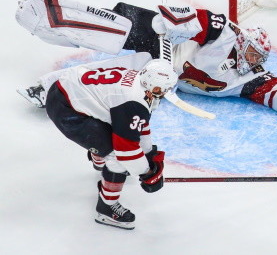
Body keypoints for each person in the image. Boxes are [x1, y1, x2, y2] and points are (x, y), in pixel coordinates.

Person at [15, 0, 277, 131]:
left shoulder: (251, 78)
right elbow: (202, 19)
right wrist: (171, 23)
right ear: (242, 40)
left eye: (256, 56)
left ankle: (48, 90)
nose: (249, 58)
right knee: (121, 27)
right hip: (165, 43)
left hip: (164, 74)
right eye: (248, 49)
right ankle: (49, 13)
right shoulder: (227, 34)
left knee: (116, 79)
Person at [22, 52, 178, 229]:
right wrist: (147, 172)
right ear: (154, 86)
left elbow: (139, 124)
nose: (164, 92)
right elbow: (125, 152)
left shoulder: (140, 81)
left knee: (115, 128)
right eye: (162, 89)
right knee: (117, 159)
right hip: (66, 110)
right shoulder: (133, 100)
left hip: (70, 92)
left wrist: (148, 154)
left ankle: (99, 158)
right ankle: (107, 208)